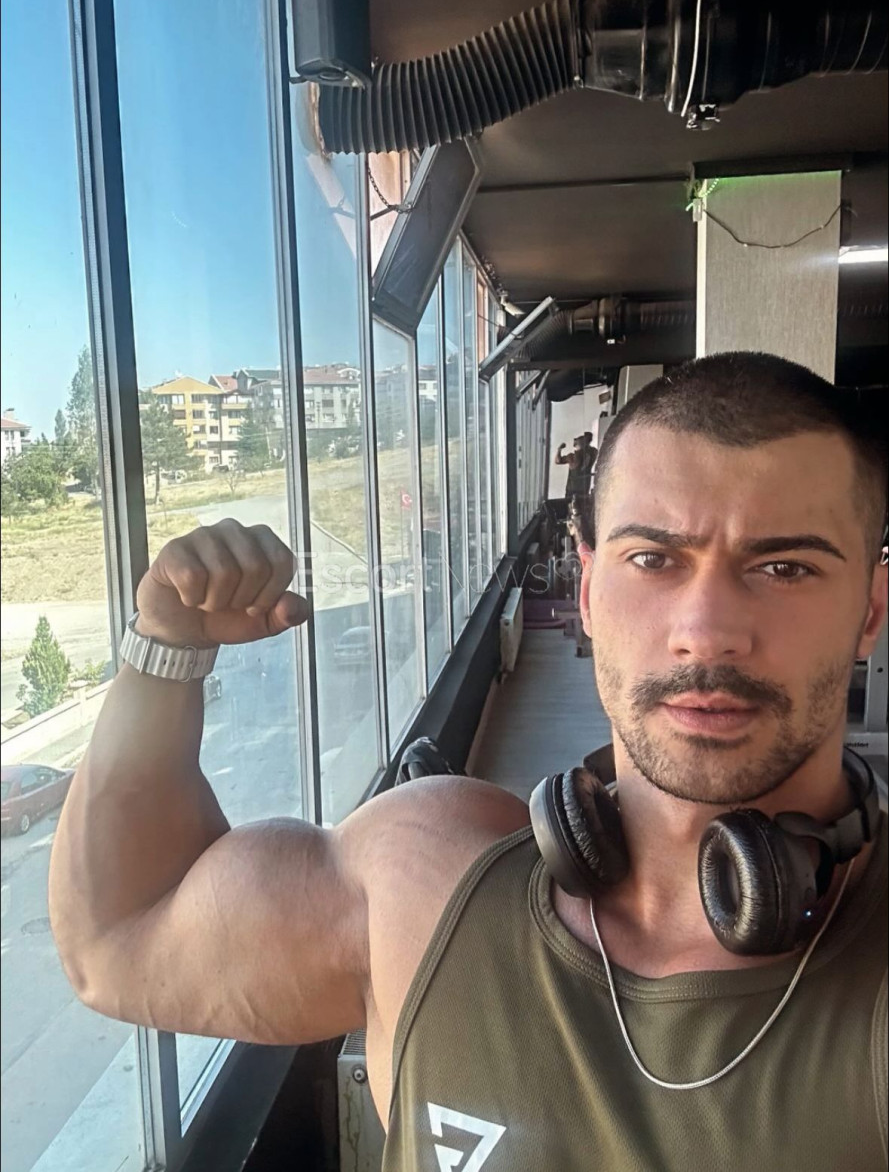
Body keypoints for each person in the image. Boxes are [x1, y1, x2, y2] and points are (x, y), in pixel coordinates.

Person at [49, 353, 888, 1171]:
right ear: (587, 591)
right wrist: (165, 650)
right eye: (652, 559)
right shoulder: (427, 880)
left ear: (869, 611)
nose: (704, 632)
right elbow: (118, 942)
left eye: (784, 567)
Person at [554, 431, 597, 501]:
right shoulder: (593, 453)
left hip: (572, 491)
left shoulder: (572, 457)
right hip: (584, 489)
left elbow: (557, 461)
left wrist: (559, 449)